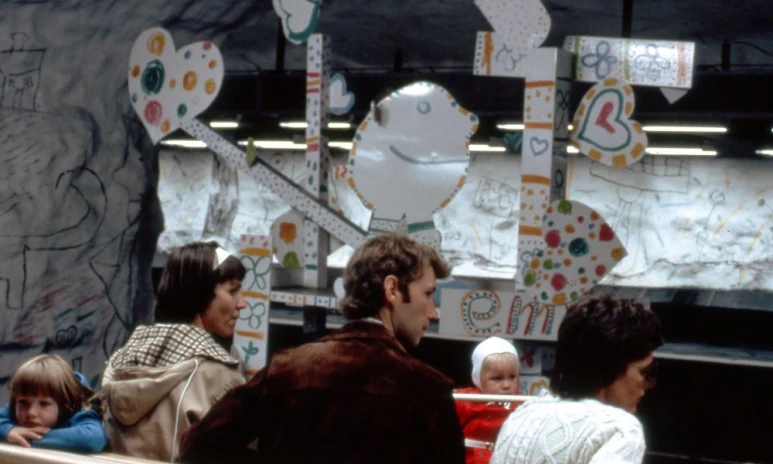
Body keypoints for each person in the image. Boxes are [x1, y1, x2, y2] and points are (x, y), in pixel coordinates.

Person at [179, 234, 465, 464]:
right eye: (428, 295)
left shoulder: (286, 369)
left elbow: (199, 445)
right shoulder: (426, 389)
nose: (433, 312)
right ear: (392, 289)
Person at [101, 241, 247, 462]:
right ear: (200, 294)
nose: (242, 303)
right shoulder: (219, 376)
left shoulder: (119, 363)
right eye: (233, 291)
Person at [491, 294, 663, 464]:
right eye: (645, 371)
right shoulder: (618, 429)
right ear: (609, 369)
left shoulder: (520, 418)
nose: (648, 384)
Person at [0, 354, 108, 453]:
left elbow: (93, 438)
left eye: (44, 404)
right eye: (23, 402)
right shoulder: (13, 409)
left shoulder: (80, 408)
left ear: (65, 404)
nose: (31, 412)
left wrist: (26, 437)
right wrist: (8, 431)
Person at [455, 337, 521, 464]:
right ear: (478, 377)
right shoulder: (464, 400)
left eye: (512, 377)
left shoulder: (524, 405)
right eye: (497, 378)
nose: (507, 385)